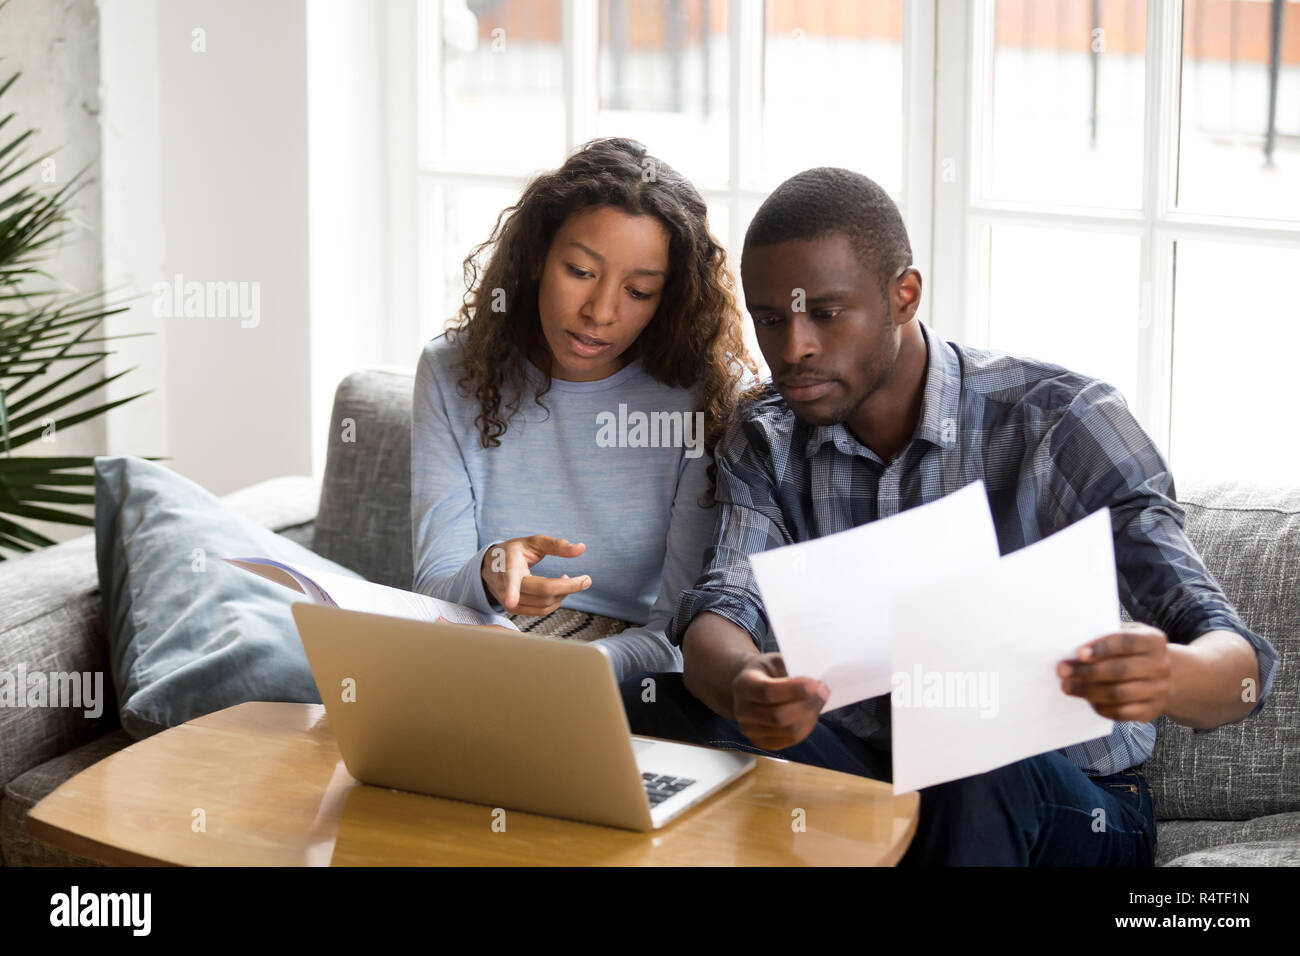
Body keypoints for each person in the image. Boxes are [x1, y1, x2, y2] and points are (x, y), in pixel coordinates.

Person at [619, 166, 1279, 866]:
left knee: (969, 750)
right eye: (771, 319)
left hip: (1064, 801)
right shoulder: (769, 436)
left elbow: (1239, 669)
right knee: (653, 697)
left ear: (904, 296)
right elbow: (725, 607)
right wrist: (746, 684)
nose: (793, 348)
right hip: (874, 777)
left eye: (827, 313)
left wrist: (1169, 675)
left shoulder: (1061, 424)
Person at [410, 137, 754, 679]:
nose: (600, 312)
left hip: (629, 667)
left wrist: (576, 668)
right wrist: (490, 570)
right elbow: (433, 590)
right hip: (482, 642)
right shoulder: (451, 370)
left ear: (669, 300)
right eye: (580, 271)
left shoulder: (704, 395)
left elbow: (680, 629)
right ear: (536, 259)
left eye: (639, 292)